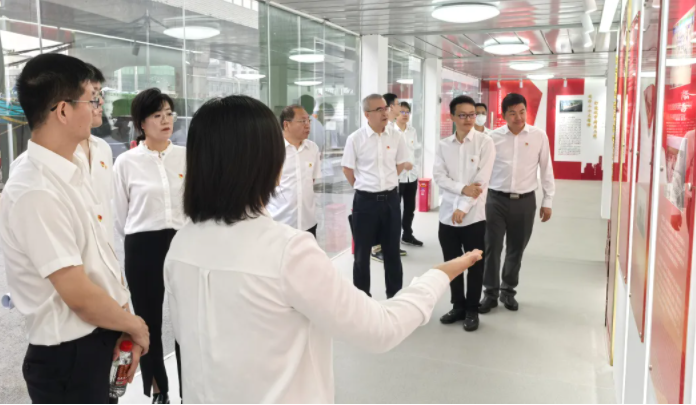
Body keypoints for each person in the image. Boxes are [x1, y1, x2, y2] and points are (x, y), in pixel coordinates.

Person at [164, 94, 483, 403]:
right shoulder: (287, 251)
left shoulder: (181, 244)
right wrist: (437, 276)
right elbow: (380, 329)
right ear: (267, 162)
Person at [0, 53, 149, 404]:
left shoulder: (73, 170)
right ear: (64, 111)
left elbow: (101, 260)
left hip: (99, 336)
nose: (99, 108)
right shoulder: (35, 189)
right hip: (69, 356)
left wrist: (122, 318)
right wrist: (136, 326)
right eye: (92, 99)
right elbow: (78, 294)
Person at [113, 88, 185, 404]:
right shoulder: (126, 162)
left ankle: (191, 387)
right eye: (157, 115)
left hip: (183, 244)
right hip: (143, 246)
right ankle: (159, 389)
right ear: (142, 123)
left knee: (187, 319)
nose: (166, 120)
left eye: (169, 113)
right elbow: (120, 216)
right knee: (147, 322)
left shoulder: (186, 156)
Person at [480, 93, 556, 313]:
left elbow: (546, 168)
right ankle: (490, 293)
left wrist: (548, 199)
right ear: (504, 115)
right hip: (495, 200)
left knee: (516, 249)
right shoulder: (492, 138)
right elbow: (482, 170)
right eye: (512, 113)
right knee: (492, 248)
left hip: (525, 201)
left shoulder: (538, 136)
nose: (518, 117)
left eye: (522, 112)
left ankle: (508, 290)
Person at [434, 96, 495, 332]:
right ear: (452, 116)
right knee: (452, 264)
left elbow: (481, 181)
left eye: (472, 114)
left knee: (474, 265)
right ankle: (457, 306)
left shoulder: (485, 142)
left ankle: (472, 309)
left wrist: (463, 207)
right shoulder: (443, 145)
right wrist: (461, 189)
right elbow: (439, 177)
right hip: (447, 216)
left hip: (473, 216)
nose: (469, 119)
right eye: (463, 115)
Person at [343, 94, 408, 298]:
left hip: (391, 201)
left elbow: (400, 164)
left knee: (392, 252)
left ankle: (395, 298)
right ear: (367, 114)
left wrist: (386, 183)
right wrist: (364, 186)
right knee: (361, 255)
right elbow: (347, 169)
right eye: (379, 109)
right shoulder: (355, 139)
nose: (384, 113)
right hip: (365, 202)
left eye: (385, 108)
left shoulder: (396, 136)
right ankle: (362, 299)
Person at [73, 64, 116, 246]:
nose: (101, 102)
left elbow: (108, 205)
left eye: (100, 94)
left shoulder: (103, 148)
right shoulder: (54, 158)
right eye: (94, 95)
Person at [267, 105, 321, 237]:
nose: (307, 125)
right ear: (286, 125)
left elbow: (311, 180)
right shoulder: (272, 150)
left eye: (308, 120)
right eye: (302, 121)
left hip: (308, 223)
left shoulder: (312, 148)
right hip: (280, 223)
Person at [372, 93, 407, 261]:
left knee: (391, 218)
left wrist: (390, 177)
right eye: (398, 104)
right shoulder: (377, 130)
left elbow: (399, 161)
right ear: (391, 106)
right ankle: (376, 247)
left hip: (391, 184)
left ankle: (390, 245)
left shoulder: (393, 130)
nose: (400, 107)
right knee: (376, 219)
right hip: (374, 186)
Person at [395, 101, 423, 248]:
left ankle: (407, 235)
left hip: (411, 176)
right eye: (402, 111)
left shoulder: (412, 130)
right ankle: (393, 240)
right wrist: (401, 165)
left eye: (407, 112)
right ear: (396, 113)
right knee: (394, 210)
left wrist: (415, 167)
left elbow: (415, 151)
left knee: (410, 208)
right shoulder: (390, 131)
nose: (405, 115)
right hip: (396, 177)